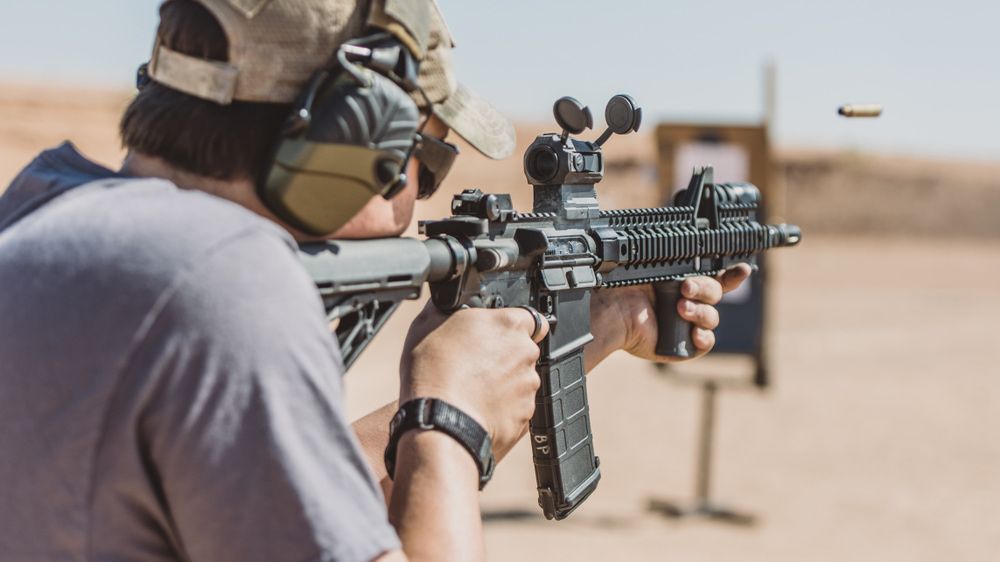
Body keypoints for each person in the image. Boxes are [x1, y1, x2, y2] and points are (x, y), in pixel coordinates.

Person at [0, 1, 749, 561]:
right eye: (426, 161)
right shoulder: (219, 283)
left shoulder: (42, 216)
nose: (417, 200)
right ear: (351, 146)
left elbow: (298, 492)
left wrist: (596, 327)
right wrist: (446, 429)